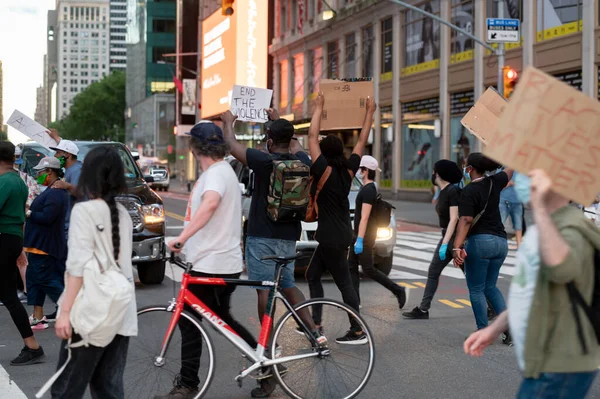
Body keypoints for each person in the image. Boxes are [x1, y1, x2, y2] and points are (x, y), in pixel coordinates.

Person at [465, 169, 600, 398]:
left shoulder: (571, 228)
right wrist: (495, 329)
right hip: (545, 360)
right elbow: (532, 291)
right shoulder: (545, 227)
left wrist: (539, 207)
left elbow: (562, 269)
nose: (521, 180)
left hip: (561, 364)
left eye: (531, 174)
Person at [222, 108, 324, 397]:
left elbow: (231, 145)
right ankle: (315, 332)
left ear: (268, 140)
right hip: (288, 236)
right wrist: (277, 121)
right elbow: (297, 144)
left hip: (262, 236)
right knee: (289, 285)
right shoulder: (301, 159)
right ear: (290, 139)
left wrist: (229, 123)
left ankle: (267, 345)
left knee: (264, 291)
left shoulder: (264, 161)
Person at [160, 122, 261, 399]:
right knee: (221, 320)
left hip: (212, 264)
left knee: (189, 322)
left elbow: (211, 204)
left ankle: (188, 383)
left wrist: (181, 237)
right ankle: (264, 365)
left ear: (194, 148)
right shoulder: (223, 171)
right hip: (217, 261)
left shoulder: (216, 174)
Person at [52, 146, 137, 398]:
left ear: (88, 174)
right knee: (107, 389)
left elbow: (76, 268)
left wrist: (64, 312)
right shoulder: (123, 214)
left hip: (90, 312)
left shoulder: (84, 211)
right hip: (121, 311)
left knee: (66, 388)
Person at [305, 93, 391, 345]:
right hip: (338, 234)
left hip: (332, 237)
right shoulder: (348, 169)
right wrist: (370, 113)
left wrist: (319, 107)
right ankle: (316, 323)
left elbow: (311, 136)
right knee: (312, 274)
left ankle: (357, 329)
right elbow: (362, 140)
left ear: (323, 151)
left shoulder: (322, 168)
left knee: (344, 284)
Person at [452, 153, 514, 336]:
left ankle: (483, 331)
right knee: (490, 286)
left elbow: (466, 219)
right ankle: (508, 329)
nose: (464, 168)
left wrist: (457, 246)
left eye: (465, 166)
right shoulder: (496, 181)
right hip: (501, 243)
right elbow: (510, 169)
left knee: (477, 288)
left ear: (470, 169)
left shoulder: (468, 191)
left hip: (480, 241)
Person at [0, 141, 45, 366]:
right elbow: (19, 216)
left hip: (3, 239)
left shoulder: (5, 182)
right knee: (8, 295)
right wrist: (20, 248)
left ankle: (33, 345)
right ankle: (32, 345)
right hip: (12, 239)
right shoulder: (18, 181)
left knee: (8, 295)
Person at [403, 160, 463, 319]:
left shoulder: (453, 191)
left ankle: (492, 307)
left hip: (456, 240)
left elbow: (454, 219)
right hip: (447, 237)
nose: (433, 174)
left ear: (440, 174)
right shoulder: (443, 191)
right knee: (433, 271)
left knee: (472, 277)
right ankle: (423, 309)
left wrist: (446, 244)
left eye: (435, 171)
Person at [349, 155, 406, 307]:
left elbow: (365, 217)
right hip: (361, 234)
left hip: (365, 235)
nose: (358, 172)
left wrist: (360, 239)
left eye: (360, 169)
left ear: (365, 170)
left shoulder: (368, 190)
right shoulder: (368, 188)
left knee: (368, 269)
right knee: (351, 267)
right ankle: (354, 302)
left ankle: (398, 290)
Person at [24, 157, 69, 330]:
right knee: (36, 281)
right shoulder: (51, 190)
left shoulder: (56, 193)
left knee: (47, 281)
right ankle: (38, 317)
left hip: (44, 246)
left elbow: (48, 217)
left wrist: (29, 213)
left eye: (40, 172)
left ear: (50, 171)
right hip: (37, 246)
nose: (38, 175)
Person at [47, 129, 82, 238]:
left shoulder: (77, 170)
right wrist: (56, 138)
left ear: (67, 155)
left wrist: (67, 185)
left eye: (57, 152)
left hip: (73, 229)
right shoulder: (70, 169)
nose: (55, 156)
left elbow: (82, 193)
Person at [499, 172, 523, 248]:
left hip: (517, 201)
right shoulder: (503, 169)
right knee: (500, 223)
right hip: (503, 200)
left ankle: (519, 245)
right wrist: (509, 183)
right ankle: (498, 243)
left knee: (518, 224)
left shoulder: (522, 171)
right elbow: (497, 185)